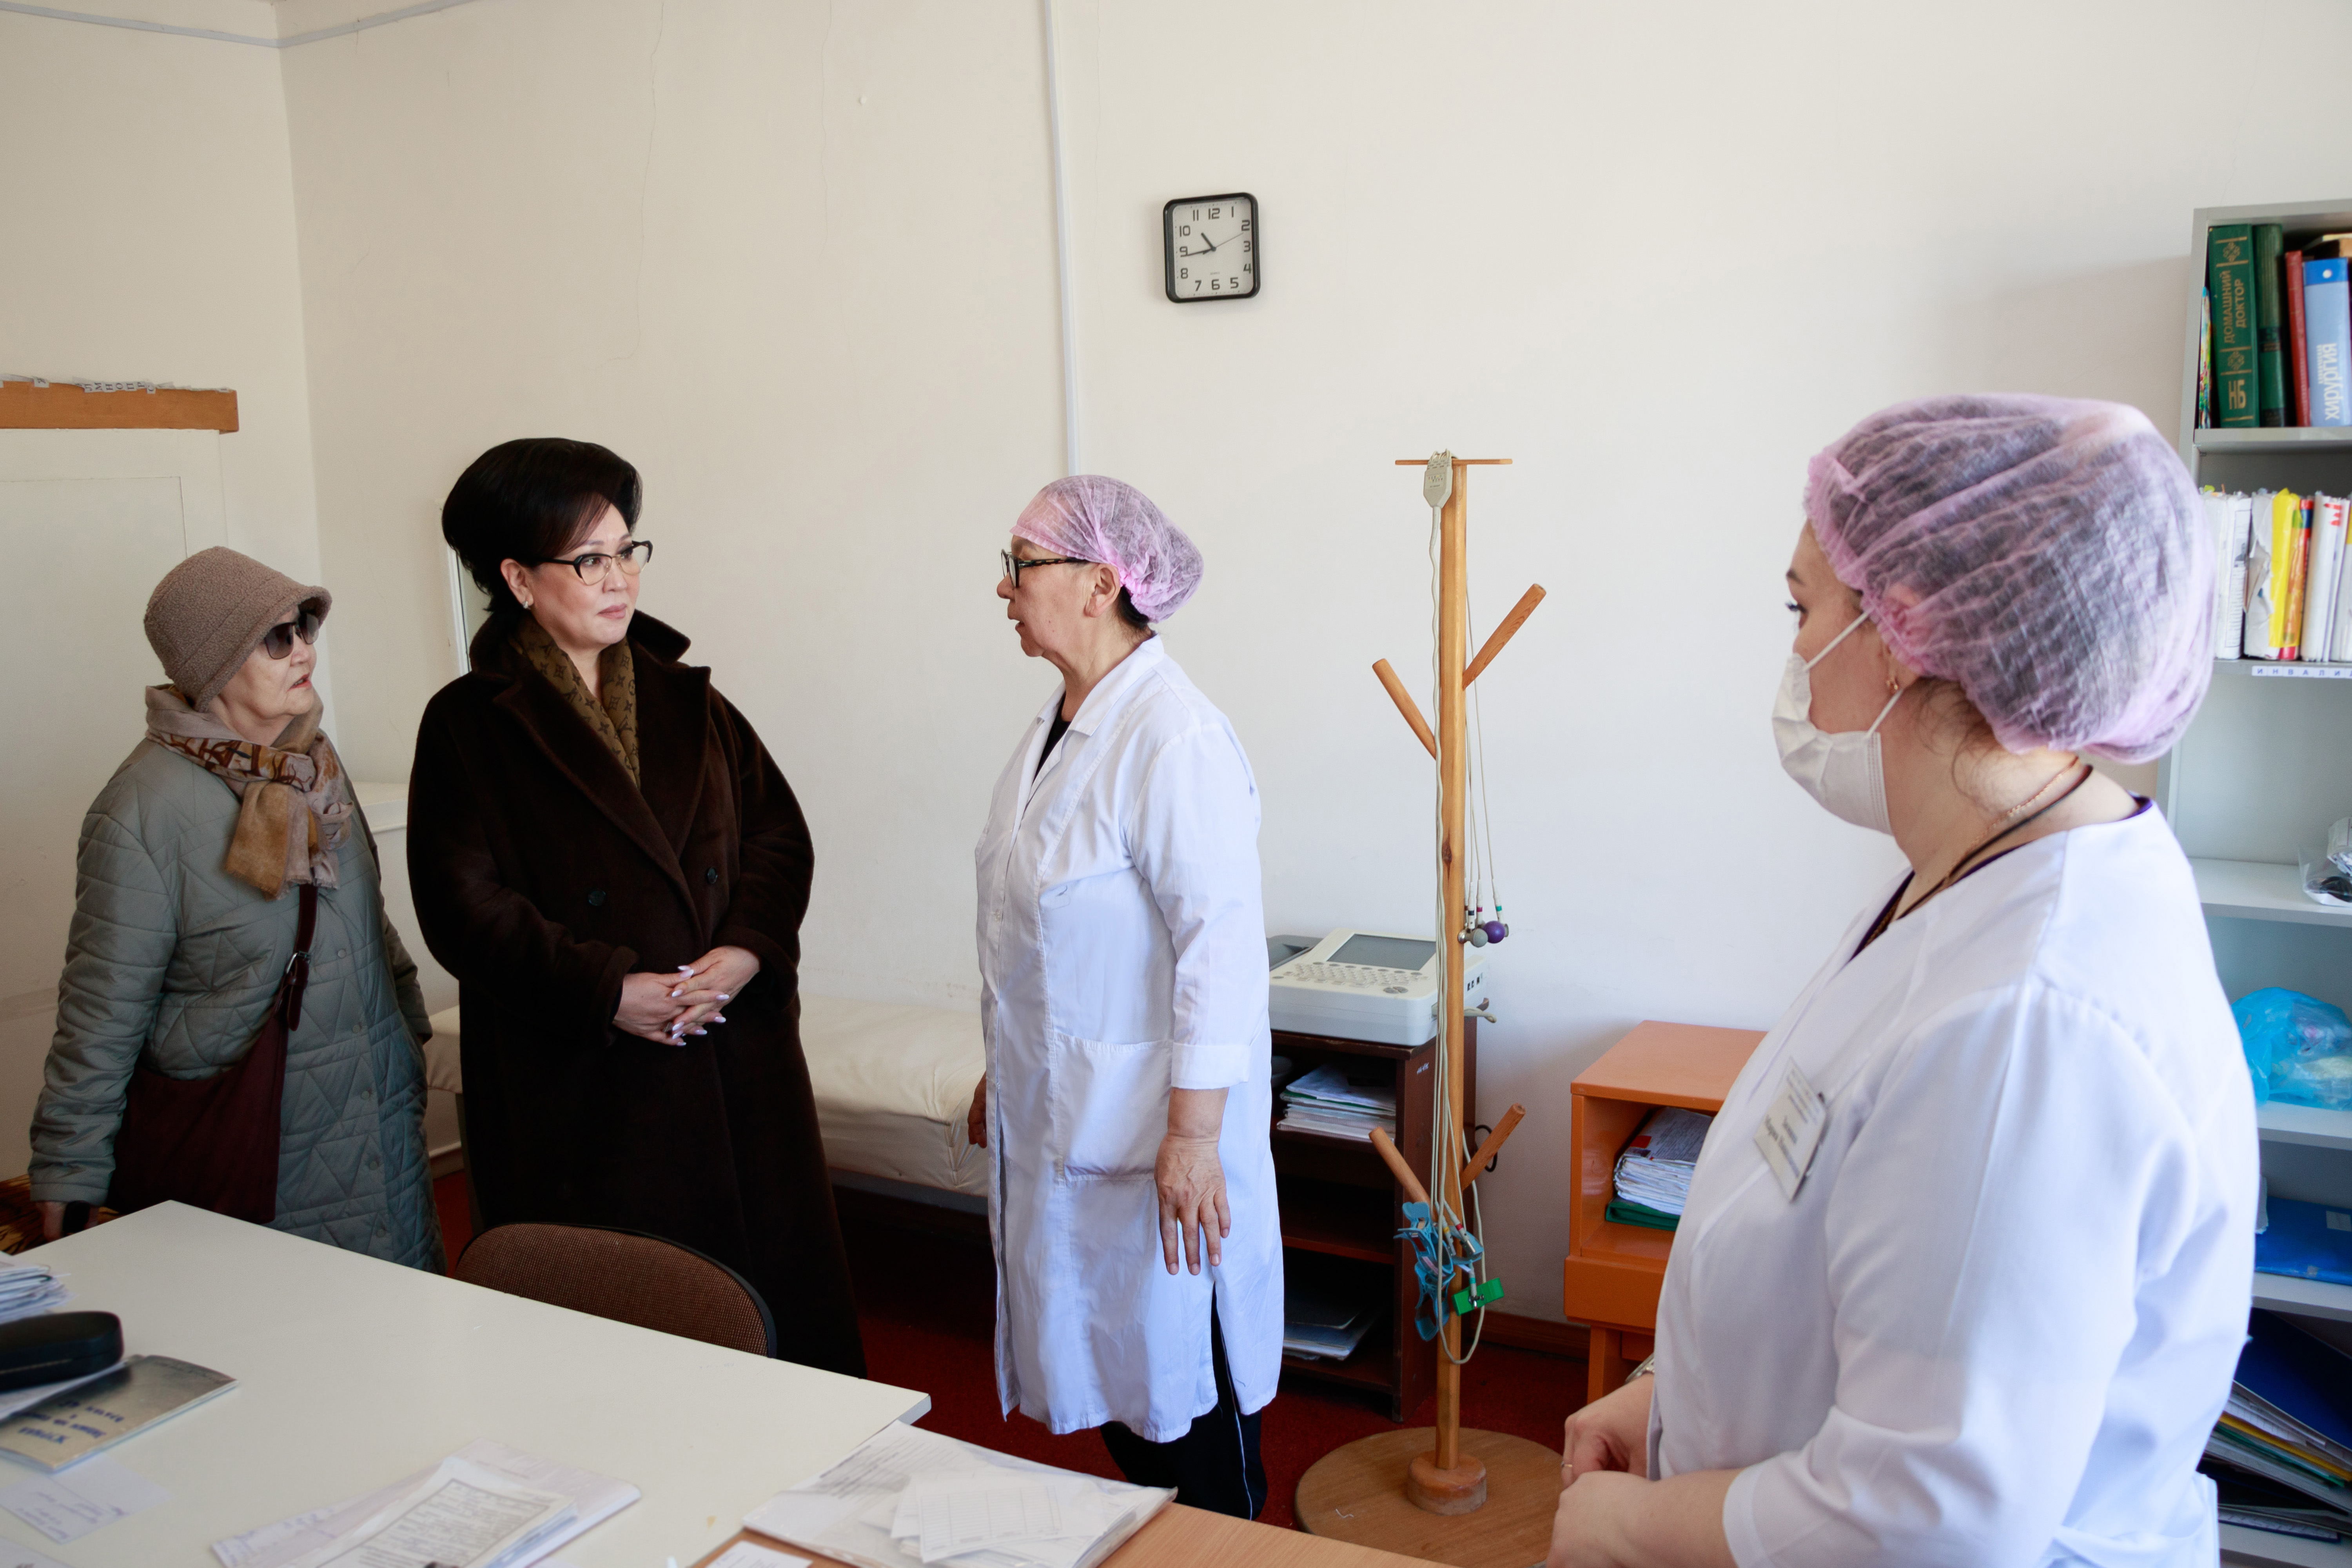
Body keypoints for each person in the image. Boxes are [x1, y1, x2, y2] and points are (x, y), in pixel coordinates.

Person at [1547, 395, 2257, 1568]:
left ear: (1903, 633)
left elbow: (1927, 1521)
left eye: (1802, 608)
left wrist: (1631, 1530)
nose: (1793, 654)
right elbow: (1862, 1248)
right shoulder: (1985, 869)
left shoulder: (2031, 1027)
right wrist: (1674, 1397)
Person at [406, 438, 862, 1376]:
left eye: (627, 551)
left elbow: (779, 838)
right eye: (589, 560)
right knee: (625, 1356)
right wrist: (609, 989)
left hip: (732, 1054)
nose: (619, 579)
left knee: (780, 1346)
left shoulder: (691, 699)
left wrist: (747, 949)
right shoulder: (468, 722)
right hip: (585, 1077)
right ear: (518, 578)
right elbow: (462, 904)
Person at [968, 476, 1281, 1517]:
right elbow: (1037, 930)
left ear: (1101, 583)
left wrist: (1193, 1135)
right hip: (1071, 1115)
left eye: (1021, 565)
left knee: (1187, 1404)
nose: (1005, 588)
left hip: (1159, 1139)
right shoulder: (1057, 729)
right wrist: (1005, 1069)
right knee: (1121, 1394)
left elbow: (1220, 950)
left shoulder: (1174, 735)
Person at [30, 548, 441, 1266]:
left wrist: (408, 1037)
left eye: (305, 627)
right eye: (277, 637)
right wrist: (70, 1170)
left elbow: (368, 923)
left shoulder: (317, 764)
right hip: (253, 1154)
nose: (304, 649)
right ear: (215, 665)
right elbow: (101, 1014)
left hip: (380, 1121)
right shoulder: (141, 811)